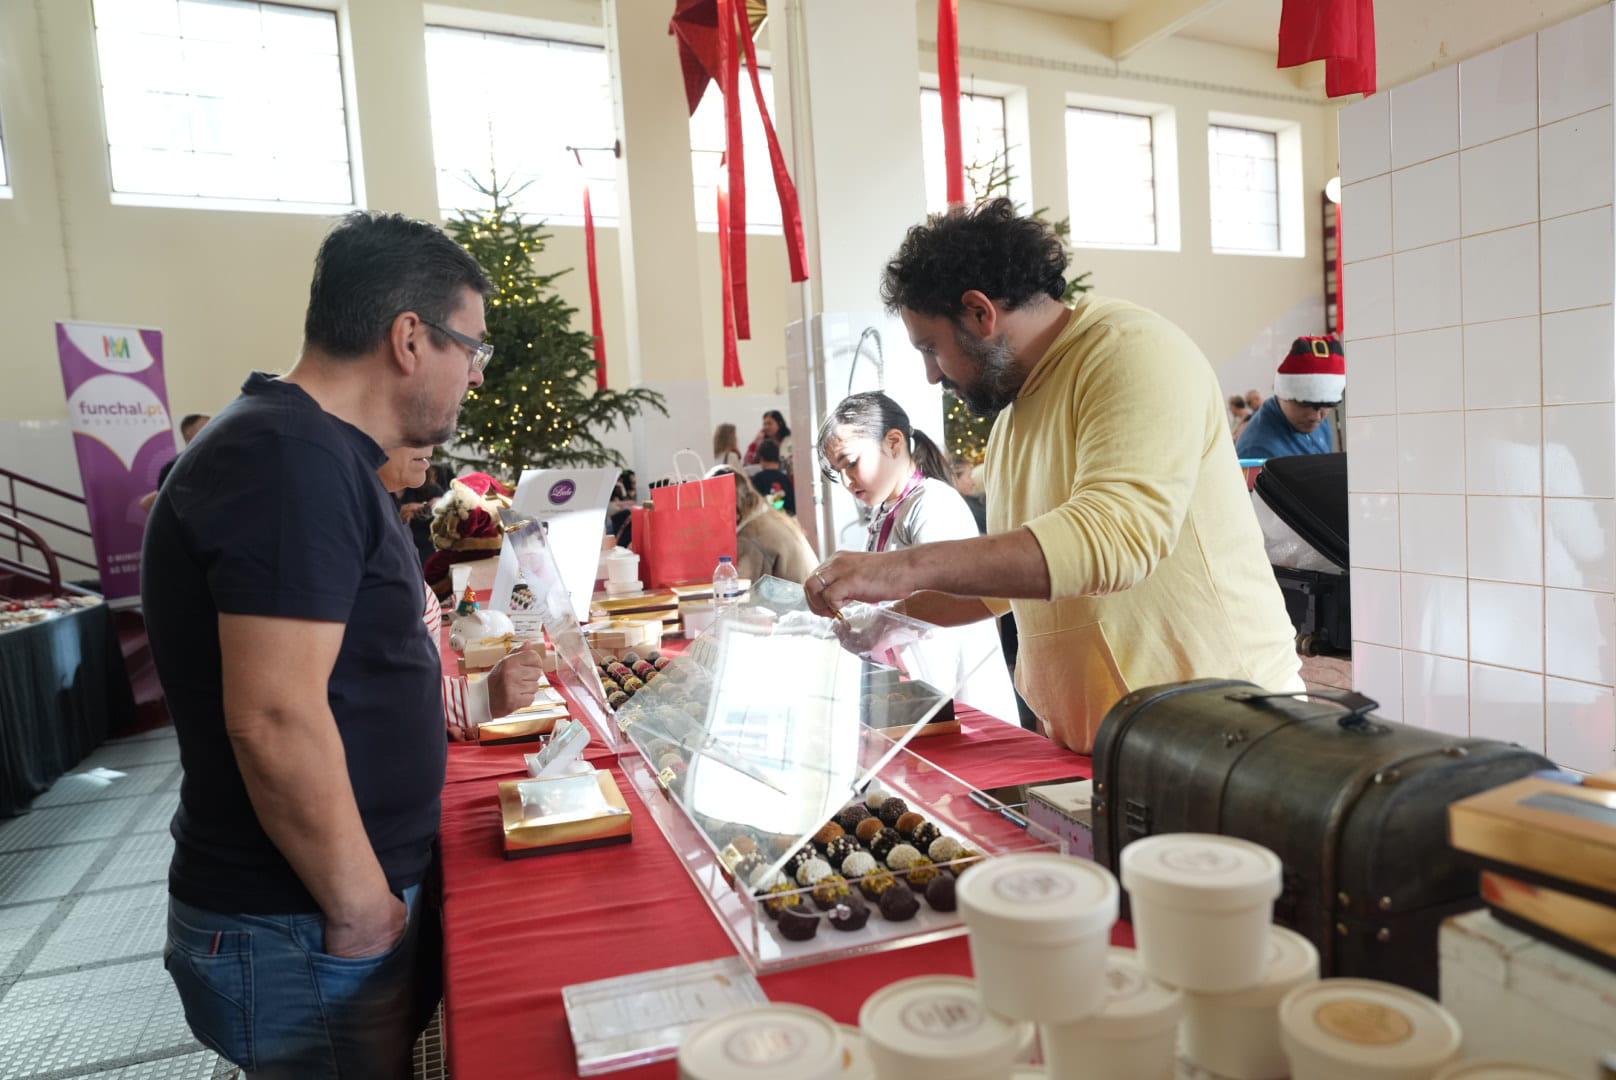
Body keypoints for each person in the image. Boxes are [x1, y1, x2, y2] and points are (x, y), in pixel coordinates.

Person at [142, 211, 493, 1076]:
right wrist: (362, 907)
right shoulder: (287, 457)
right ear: (409, 338)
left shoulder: (318, 451)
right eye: (471, 347)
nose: (477, 374)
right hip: (301, 917)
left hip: (314, 911)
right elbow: (274, 716)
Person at [802, 198, 1302, 753]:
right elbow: (1003, 586)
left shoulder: (1130, 351)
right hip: (1109, 743)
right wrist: (893, 619)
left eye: (931, 348)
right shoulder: (1013, 419)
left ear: (980, 313)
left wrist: (897, 569)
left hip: (1223, 733)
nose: (930, 374)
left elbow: (1114, 540)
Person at [817, 391, 1019, 724]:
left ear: (894, 443)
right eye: (839, 471)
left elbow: (944, 607)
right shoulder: (889, 510)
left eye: (851, 463)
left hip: (955, 698)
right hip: (920, 694)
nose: (847, 481)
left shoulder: (933, 504)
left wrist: (879, 627)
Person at [378, 446, 545, 740]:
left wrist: (441, 712)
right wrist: (476, 698)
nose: (432, 441)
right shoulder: (339, 518)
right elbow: (361, 680)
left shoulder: (377, 508)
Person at [1236, 338, 1344, 461]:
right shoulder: (1257, 450)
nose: (1316, 417)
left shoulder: (1318, 420)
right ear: (1282, 394)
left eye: (1327, 405)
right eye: (1305, 404)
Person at [716, 466, 818, 584]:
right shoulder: (769, 517)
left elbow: (741, 588)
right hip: (807, 592)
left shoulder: (750, 536)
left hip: (795, 595)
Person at [138, 413, 212, 513]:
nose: (214, 432)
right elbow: (146, 503)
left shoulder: (220, 461)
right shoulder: (175, 468)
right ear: (190, 436)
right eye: (207, 428)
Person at [750, 439, 796, 515]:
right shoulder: (785, 479)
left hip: (766, 520)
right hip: (784, 520)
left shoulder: (758, 479)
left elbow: (753, 505)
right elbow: (793, 506)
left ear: (761, 458)